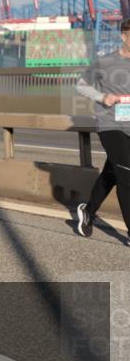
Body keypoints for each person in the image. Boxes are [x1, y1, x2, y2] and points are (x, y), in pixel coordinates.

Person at [75, 18, 130, 236]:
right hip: (110, 124)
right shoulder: (105, 62)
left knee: (113, 172)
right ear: (123, 36)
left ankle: (88, 211)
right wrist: (102, 96)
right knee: (127, 177)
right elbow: (81, 86)